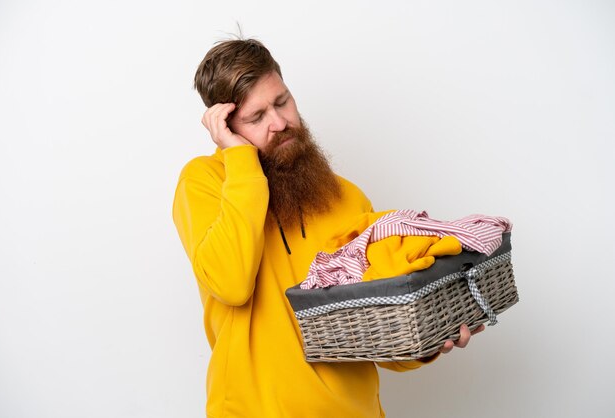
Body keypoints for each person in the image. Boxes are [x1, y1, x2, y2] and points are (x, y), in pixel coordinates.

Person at [172, 38, 483, 418]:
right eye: (256, 117)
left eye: (282, 101)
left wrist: (428, 342)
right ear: (225, 126)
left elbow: (376, 328)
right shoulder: (205, 182)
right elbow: (231, 284)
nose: (280, 123)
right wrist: (240, 161)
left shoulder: (347, 197)